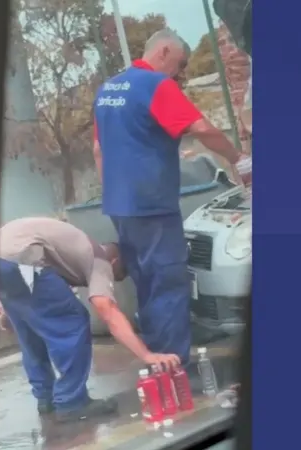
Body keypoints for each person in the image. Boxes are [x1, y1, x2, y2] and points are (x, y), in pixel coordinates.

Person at [92, 29, 243, 368]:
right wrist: (240, 160)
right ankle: (174, 370)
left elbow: (98, 150)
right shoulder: (156, 85)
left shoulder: (108, 90)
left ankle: (157, 363)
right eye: (180, 63)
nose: (181, 72)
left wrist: (115, 193)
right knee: (169, 283)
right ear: (163, 52)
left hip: (121, 206)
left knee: (147, 285)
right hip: (152, 205)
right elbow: (201, 128)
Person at [0, 217, 181, 422]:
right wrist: (147, 355)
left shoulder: (72, 252)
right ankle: (71, 402)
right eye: (118, 276)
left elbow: (27, 291)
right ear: (115, 262)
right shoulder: (100, 261)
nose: (112, 281)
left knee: (30, 329)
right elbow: (107, 310)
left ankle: (45, 398)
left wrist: (10, 311)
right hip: (22, 258)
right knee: (73, 321)